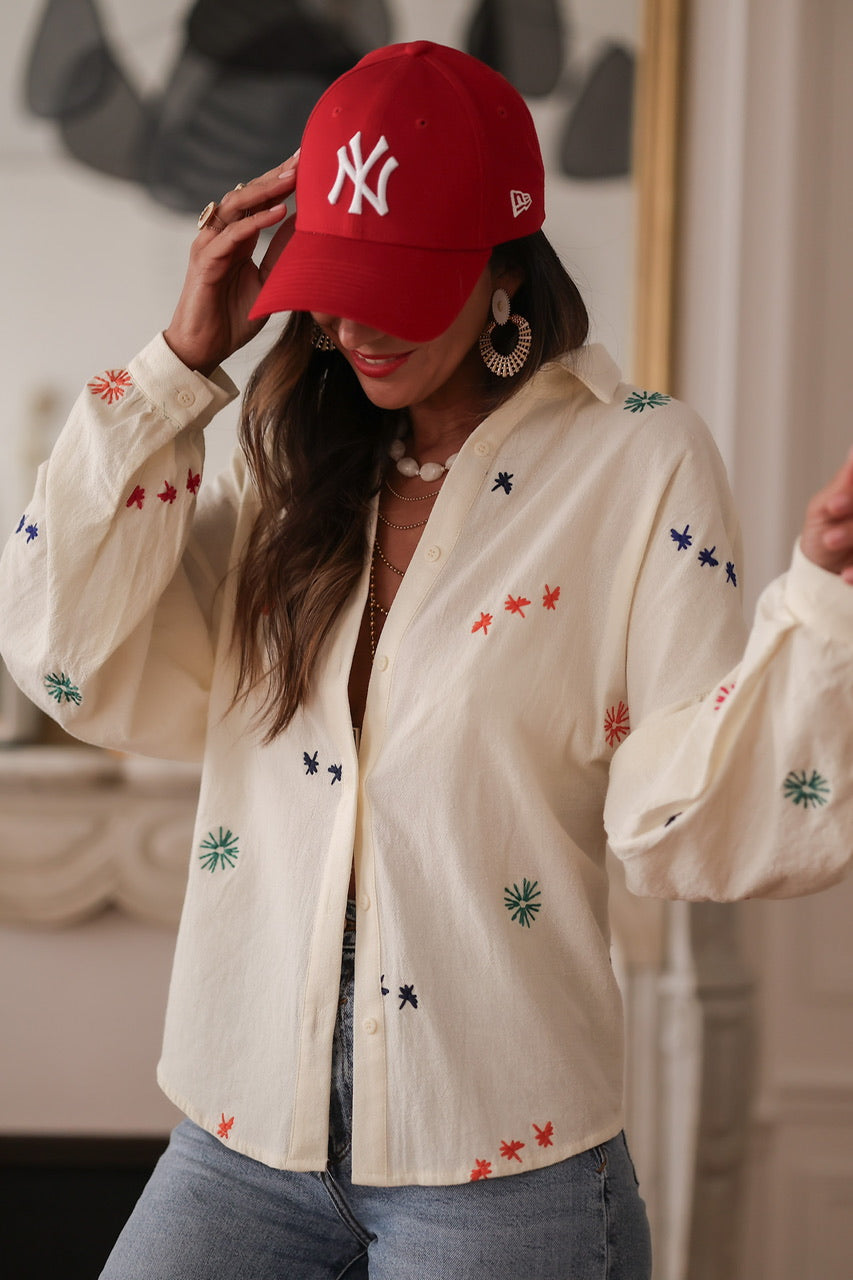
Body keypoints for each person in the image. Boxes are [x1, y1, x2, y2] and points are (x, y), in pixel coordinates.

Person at [2, 39, 852, 1280]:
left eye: (398, 284)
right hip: (243, 1129)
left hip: (498, 1163)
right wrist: (177, 368)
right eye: (335, 282)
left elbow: (680, 815)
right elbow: (64, 649)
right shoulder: (291, 465)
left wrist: (821, 608)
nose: (354, 324)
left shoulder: (638, 462)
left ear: (505, 265)